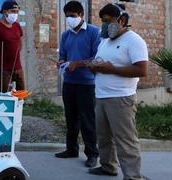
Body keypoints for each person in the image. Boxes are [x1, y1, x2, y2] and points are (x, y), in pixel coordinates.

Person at [87, 3, 148, 180]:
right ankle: (108, 167)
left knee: (125, 140)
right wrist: (94, 67)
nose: (105, 26)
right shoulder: (105, 41)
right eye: (103, 22)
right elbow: (101, 62)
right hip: (101, 96)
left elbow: (142, 70)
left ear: (121, 20)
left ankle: (133, 176)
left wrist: (110, 69)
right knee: (104, 137)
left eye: (108, 21)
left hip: (121, 98)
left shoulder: (134, 41)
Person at [55, 0, 100, 168]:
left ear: (81, 15)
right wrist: (61, 62)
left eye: (72, 16)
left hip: (87, 83)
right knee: (71, 118)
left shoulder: (94, 32)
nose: (69, 19)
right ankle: (71, 149)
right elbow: (64, 55)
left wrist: (78, 63)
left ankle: (92, 154)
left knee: (88, 120)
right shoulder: (65, 35)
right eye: (67, 17)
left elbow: (97, 59)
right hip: (69, 82)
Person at [0, 0, 25, 93]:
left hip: (18, 67)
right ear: (5, 12)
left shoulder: (17, 26)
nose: (15, 14)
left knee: (21, 94)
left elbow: (20, 43)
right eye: (13, 11)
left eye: (17, 12)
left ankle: (20, 107)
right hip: (3, 69)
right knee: (7, 95)